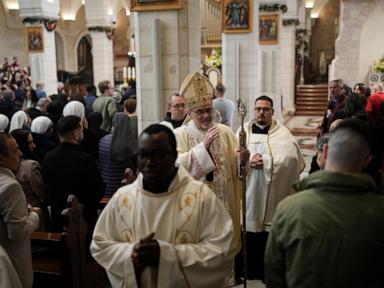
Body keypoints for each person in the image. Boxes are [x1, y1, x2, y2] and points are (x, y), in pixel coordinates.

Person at [91, 124, 236, 287]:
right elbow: (100, 245)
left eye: (158, 155)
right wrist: (131, 254)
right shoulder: (123, 199)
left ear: (174, 155)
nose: (149, 162)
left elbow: (223, 248)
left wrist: (168, 255)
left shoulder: (200, 196)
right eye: (143, 155)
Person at [265, 118, 384, 288]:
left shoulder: (288, 209)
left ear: (325, 151)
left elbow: (274, 275)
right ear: (367, 161)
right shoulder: (380, 211)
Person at [174, 72, 248, 260]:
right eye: (200, 111)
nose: (206, 115)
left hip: (225, 206)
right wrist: (202, 147)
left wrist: (243, 160)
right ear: (189, 113)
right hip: (196, 212)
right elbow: (176, 169)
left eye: (208, 109)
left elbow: (237, 171)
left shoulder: (225, 132)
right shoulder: (179, 135)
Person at [235, 95, 305, 280]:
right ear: (253, 111)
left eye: (266, 110)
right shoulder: (242, 132)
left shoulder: (282, 134)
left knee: (267, 234)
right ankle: (247, 271)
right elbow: (230, 157)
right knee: (247, 231)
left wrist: (266, 162)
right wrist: (246, 161)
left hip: (272, 195)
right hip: (248, 193)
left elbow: (291, 160)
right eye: (258, 109)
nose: (261, 113)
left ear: (272, 112)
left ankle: (267, 273)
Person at [42, 116, 104, 236]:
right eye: (81, 129)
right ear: (76, 134)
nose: (83, 132)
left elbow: (47, 184)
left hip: (58, 216)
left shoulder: (48, 157)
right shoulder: (86, 159)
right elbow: (98, 189)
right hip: (83, 217)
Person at [0, 133, 40, 288]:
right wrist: (35, 215)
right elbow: (17, 233)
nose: (20, 153)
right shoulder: (11, 187)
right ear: (2, 158)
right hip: (12, 261)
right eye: (15, 150)